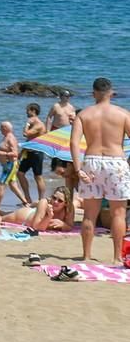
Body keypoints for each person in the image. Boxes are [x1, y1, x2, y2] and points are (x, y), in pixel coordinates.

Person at [71, 76, 130, 263]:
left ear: (93, 93)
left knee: (89, 213)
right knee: (118, 213)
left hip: (91, 162)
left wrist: (78, 168)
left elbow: (73, 142)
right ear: (111, 92)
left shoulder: (84, 114)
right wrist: (126, 161)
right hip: (116, 161)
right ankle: (116, 258)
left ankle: (87, 256)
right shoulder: (122, 114)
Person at [0, 121, 29, 206]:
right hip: (6, 165)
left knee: (0, 185)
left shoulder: (11, 138)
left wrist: (0, 153)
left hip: (10, 165)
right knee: (13, 185)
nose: (0, 129)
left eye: (1, 127)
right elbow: (2, 151)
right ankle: (26, 203)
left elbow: (15, 153)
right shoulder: (5, 137)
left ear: (5, 128)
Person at [19, 102, 48, 203]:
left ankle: (41, 199)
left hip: (37, 153)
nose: (26, 112)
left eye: (28, 110)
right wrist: (21, 152)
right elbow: (30, 140)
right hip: (28, 152)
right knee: (20, 173)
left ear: (33, 111)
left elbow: (26, 134)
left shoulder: (39, 124)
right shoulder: (33, 124)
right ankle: (27, 198)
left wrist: (27, 124)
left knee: (38, 176)